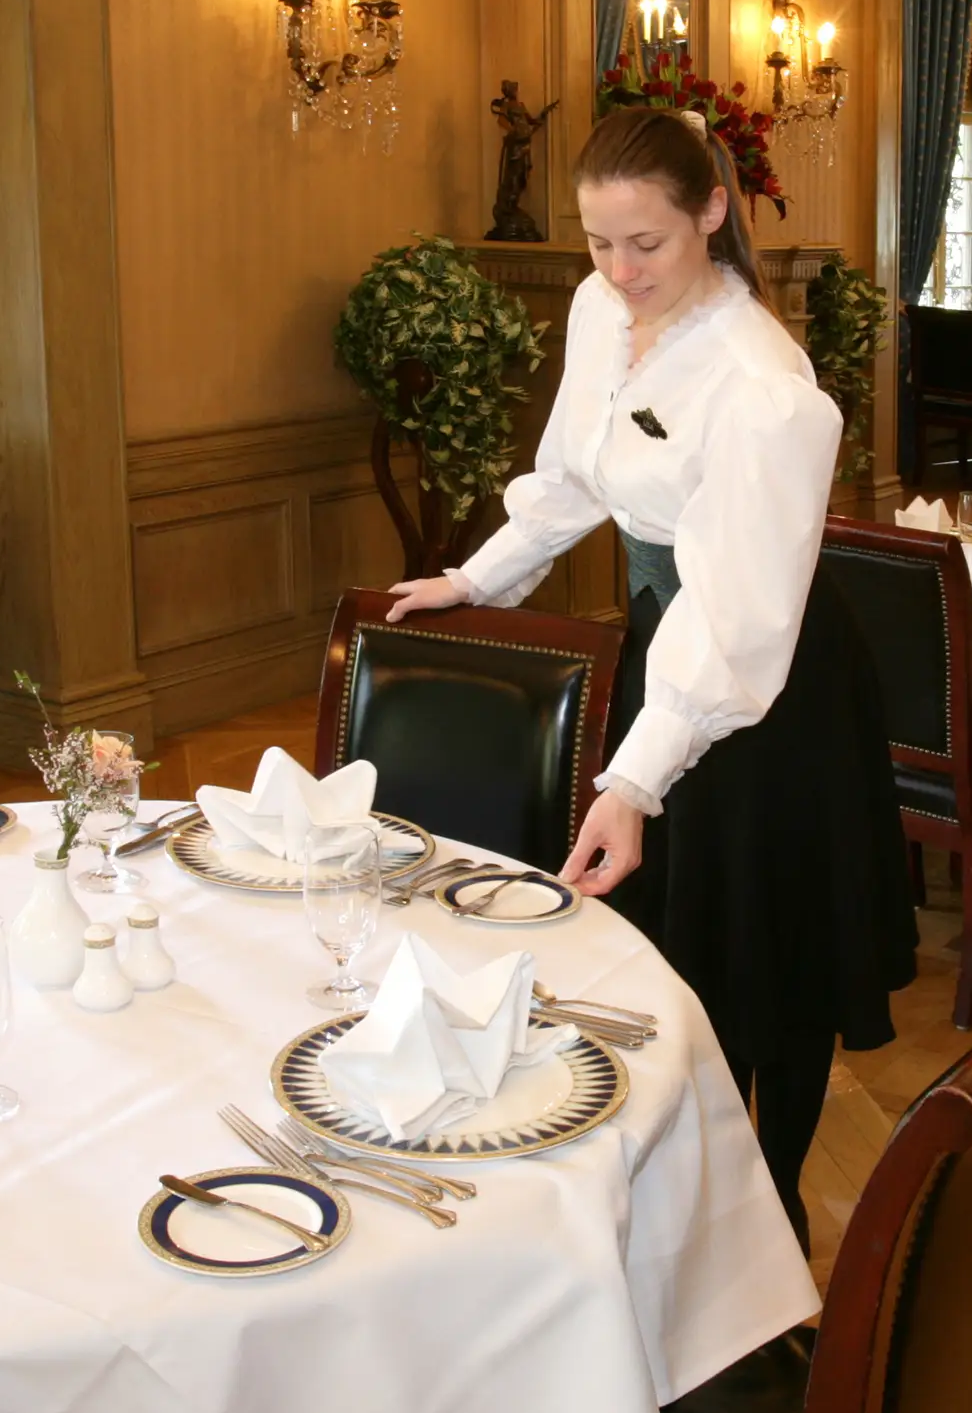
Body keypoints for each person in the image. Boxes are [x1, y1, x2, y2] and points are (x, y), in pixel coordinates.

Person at [386, 102, 915, 1230]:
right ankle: (676, 1184)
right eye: (599, 241)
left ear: (712, 213)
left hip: (769, 690)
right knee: (672, 945)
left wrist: (633, 782)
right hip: (664, 666)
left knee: (774, 956)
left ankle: (768, 1209)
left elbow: (732, 614)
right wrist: (478, 577)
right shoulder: (597, 309)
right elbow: (575, 475)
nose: (620, 270)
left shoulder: (766, 387)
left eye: (648, 243)